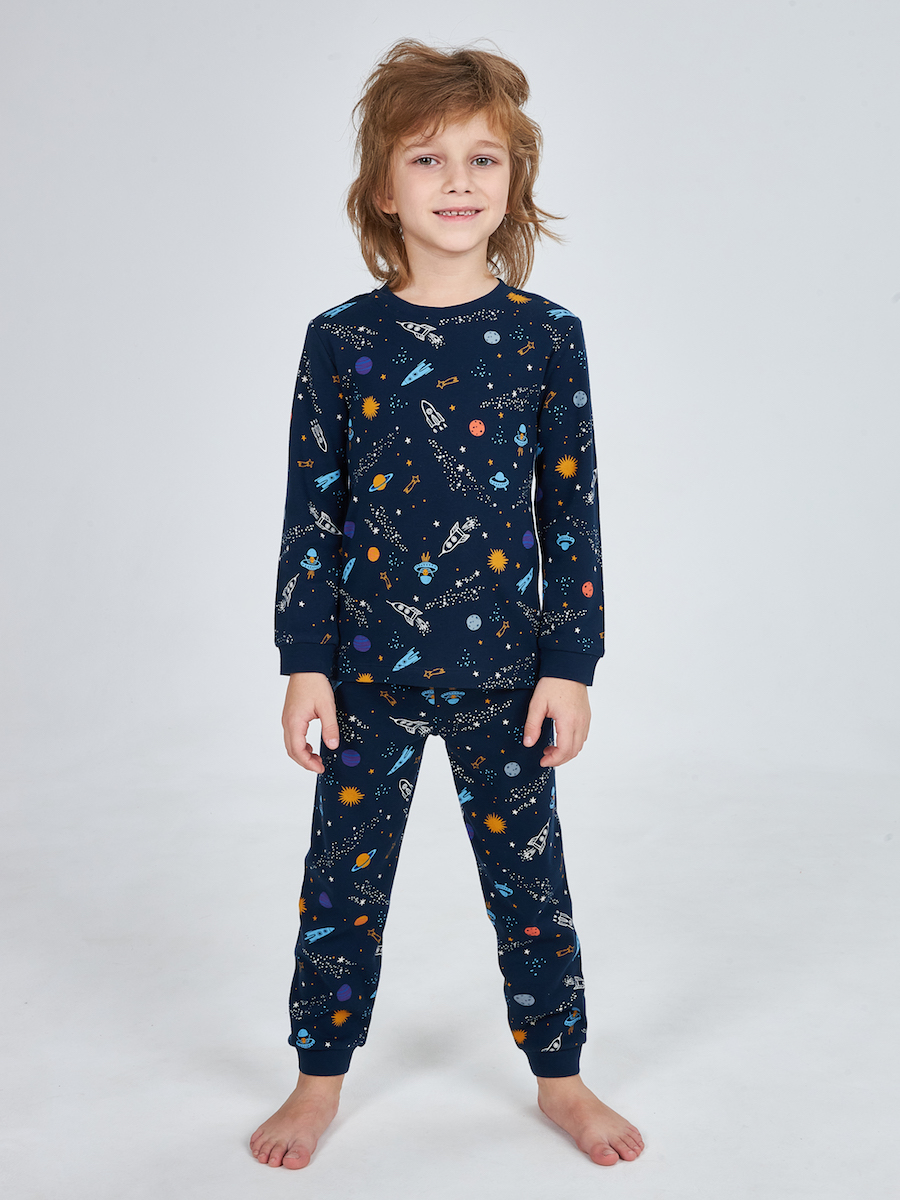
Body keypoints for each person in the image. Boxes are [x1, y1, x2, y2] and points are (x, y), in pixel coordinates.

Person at [250, 38, 644, 1170]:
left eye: (484, 158)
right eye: (427, 158)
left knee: (533, 890)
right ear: (384, 188)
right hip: (363, 677)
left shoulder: (547, 339)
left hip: (508, 680)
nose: (458, 180)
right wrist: (304, 661)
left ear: (514, 179)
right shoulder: (342, 343)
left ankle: (561, 1079)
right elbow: (311, 512)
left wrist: (570, 665)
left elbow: (572, 515)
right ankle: (316, 1082)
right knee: (340, 889)